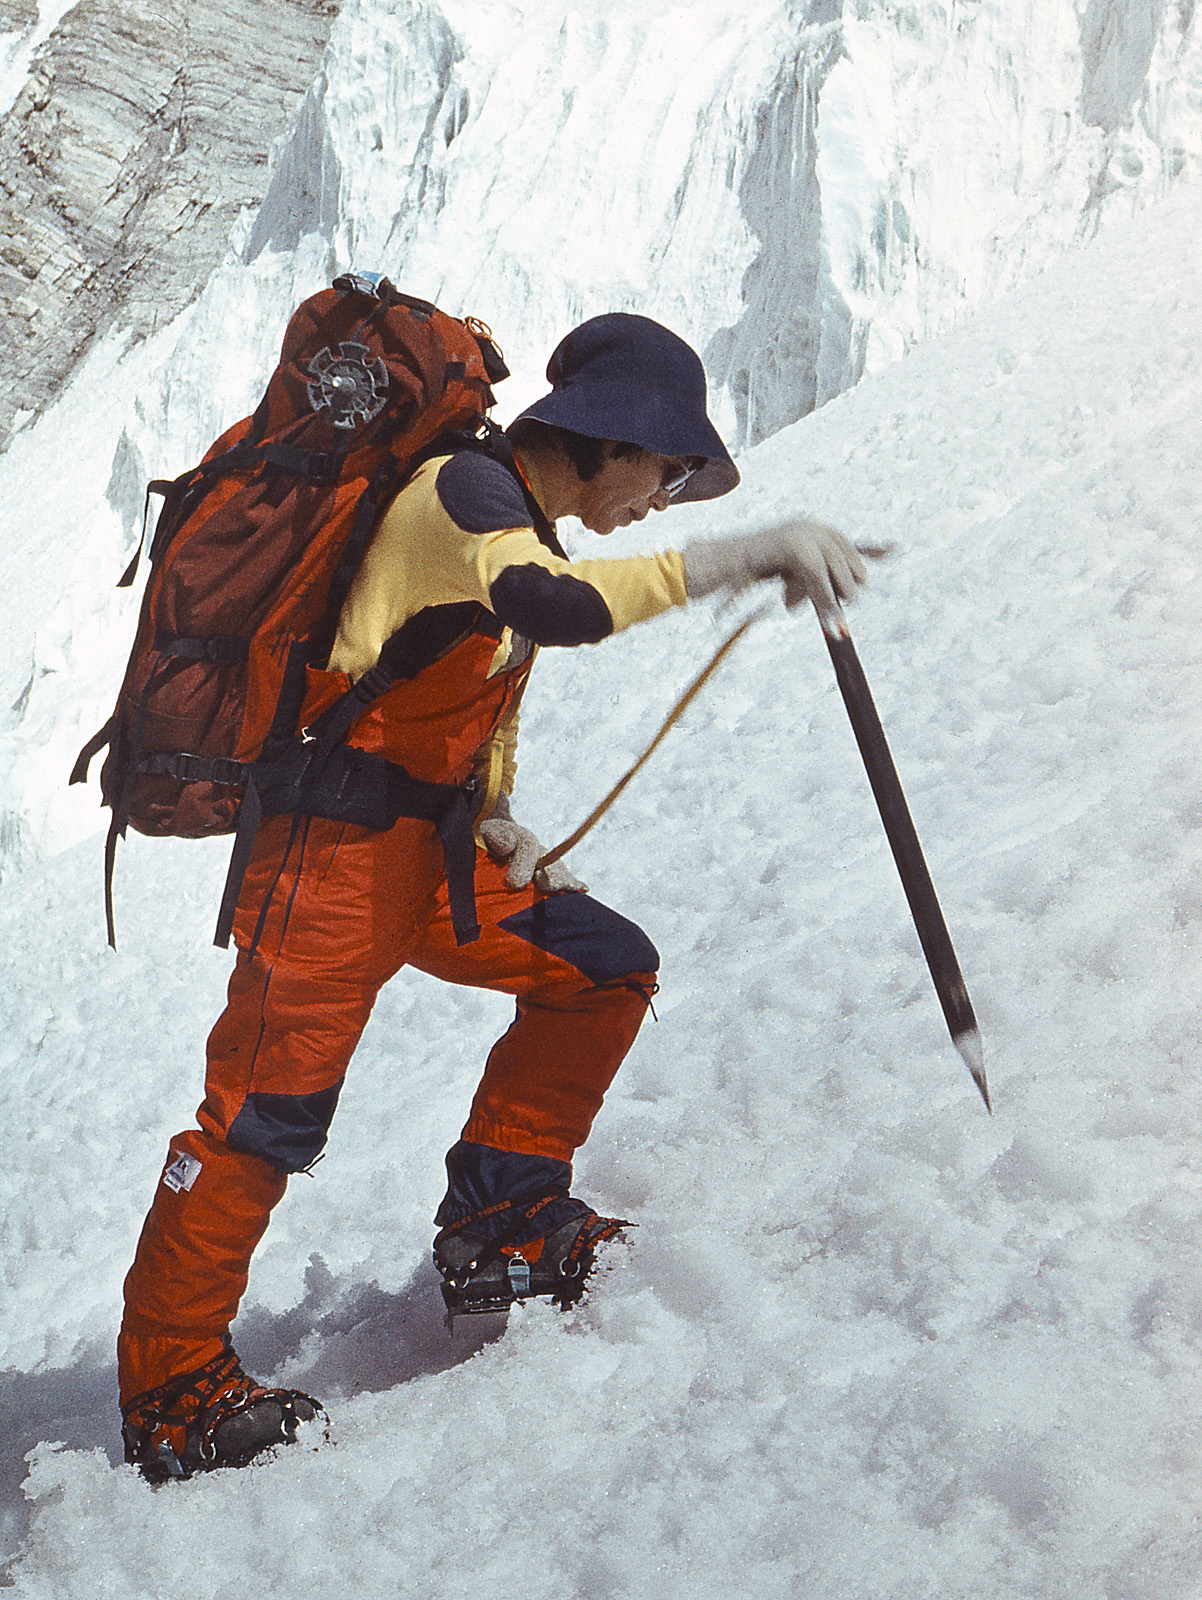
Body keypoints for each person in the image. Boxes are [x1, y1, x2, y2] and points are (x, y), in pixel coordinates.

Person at [117, 311, 866, 1481]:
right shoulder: (467, 494)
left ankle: (502, 1216)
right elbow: (549, 608)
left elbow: (456, 677)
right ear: (609, 439)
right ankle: (169, 1390)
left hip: (429, 855)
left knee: (602, 969)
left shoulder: (512, 512)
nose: (663, 499)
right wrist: (747, 553)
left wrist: (497, 819)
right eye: (665, 470)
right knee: (260, 1122)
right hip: (327, 867)